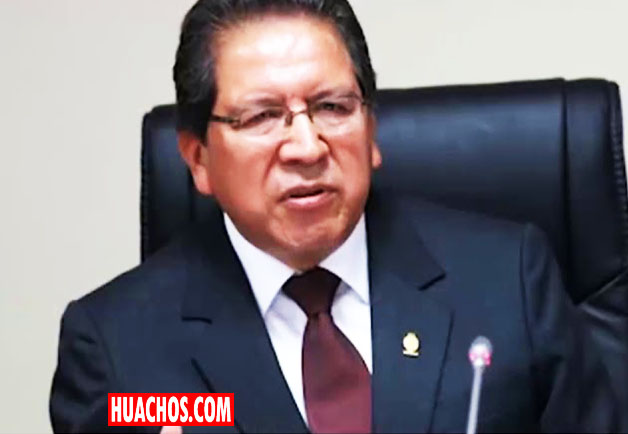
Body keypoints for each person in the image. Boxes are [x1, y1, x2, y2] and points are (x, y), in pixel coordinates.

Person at [50, 0, 619, 432]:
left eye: (331, 107)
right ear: (198, 158)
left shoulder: (508, 279)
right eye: (262, 116)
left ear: (370, 131)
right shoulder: (115, 348)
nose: (307, 147)